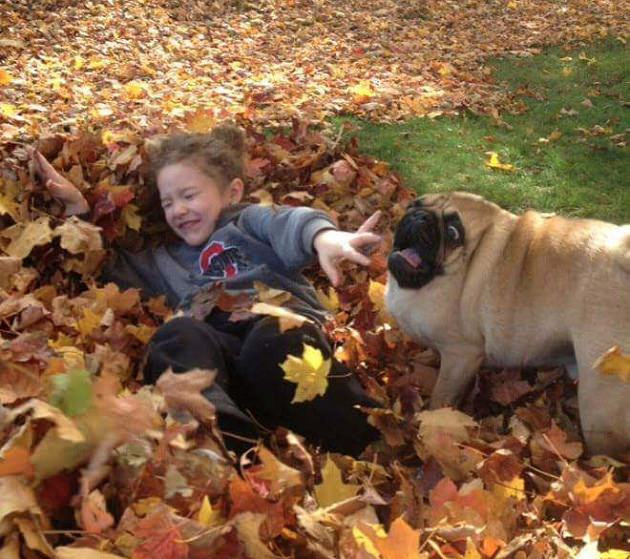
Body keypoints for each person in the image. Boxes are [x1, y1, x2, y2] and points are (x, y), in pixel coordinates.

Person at [31, 124, 382, 456]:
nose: (178, 209)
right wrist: (77, 208)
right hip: (229, 367)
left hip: (283, 340)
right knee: (176, 334)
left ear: (231, 192)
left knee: (270, 339)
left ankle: (366, 436)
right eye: (168, 202)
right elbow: (107, 264)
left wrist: (327, 238)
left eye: (189, 195)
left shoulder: (248, 222)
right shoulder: (163, 261)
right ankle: (218, 436)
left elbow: (287, 223)